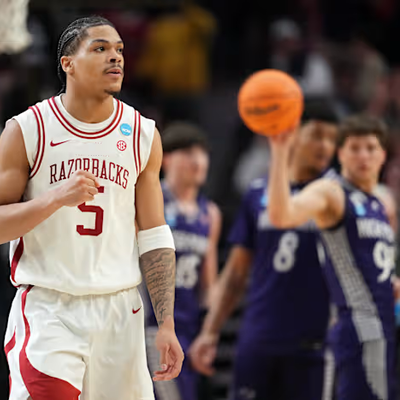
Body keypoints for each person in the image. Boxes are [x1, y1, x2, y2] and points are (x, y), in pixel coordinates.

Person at [0, 16, 184, 400]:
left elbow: (154, 235)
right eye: (100, 48)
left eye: (119, 50)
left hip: (121, 311)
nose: (115, 57)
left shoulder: (143, 135)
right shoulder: (27, 129)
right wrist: (53, 199)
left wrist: (166, 322)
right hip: (50, 307)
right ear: (67, 63)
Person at [189, 103, 338, 400]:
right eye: (317, 135)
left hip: (313, 344)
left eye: (332, 139)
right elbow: (236, 272)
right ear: (293, 133)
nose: (325, 146)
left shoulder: (336, 196)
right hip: (259, 337)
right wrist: (210, 330)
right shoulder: (258, 194)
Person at [267, 114, 397, 400]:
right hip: (360, 329)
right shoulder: (332, 192)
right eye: (354, 148)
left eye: (371, 148)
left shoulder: (379, 204)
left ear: (383, 155)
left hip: (385, 327)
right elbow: (281, 215)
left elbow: (376, 269)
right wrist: (279, 152)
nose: (363, 156)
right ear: (341, 154)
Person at [144, 122, 221, 400]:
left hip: (190, 327)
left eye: (202, 153)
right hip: (152, 325)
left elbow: (209, 285)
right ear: (166, 159)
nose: (198, 161)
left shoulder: (210, 213)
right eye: (188, 153)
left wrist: (209, 331)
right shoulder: (151, 200)